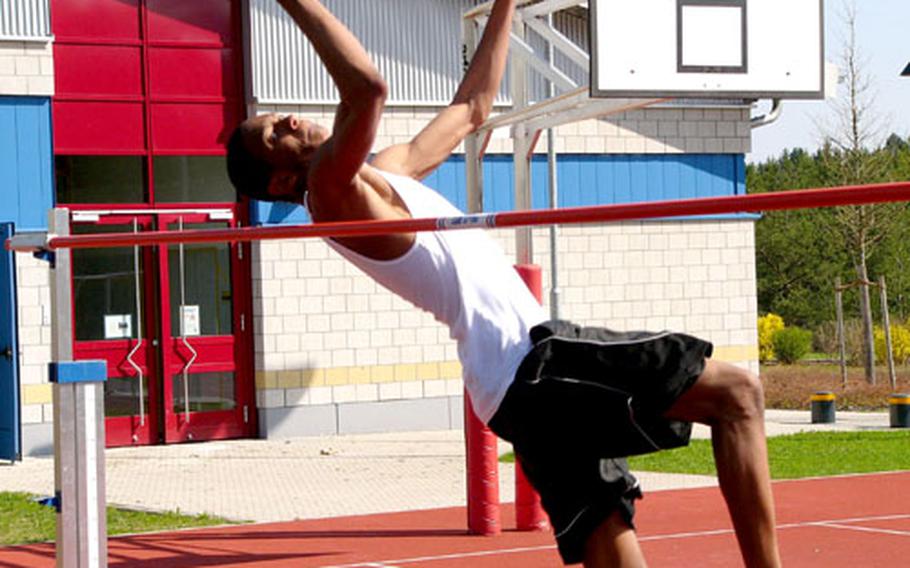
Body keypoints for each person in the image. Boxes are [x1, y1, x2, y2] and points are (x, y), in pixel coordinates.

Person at [226, 1, 782, 566]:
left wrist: (505, 5)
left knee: (609, 533)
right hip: (530, 362)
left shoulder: (386, 174)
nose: (290, 119)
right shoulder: (329, 198)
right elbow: (367, 87)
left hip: (517, 386)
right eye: (274, 131)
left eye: (280, 116)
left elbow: (473, 107)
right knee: (737, 394)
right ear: (280, 177)